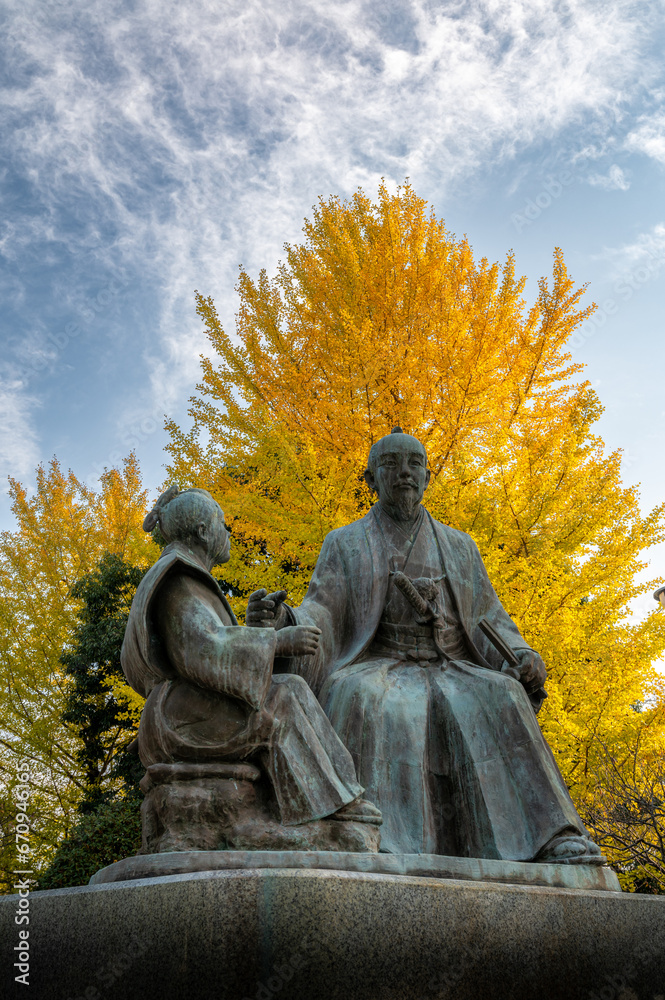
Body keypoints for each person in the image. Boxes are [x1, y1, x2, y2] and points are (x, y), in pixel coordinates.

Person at [247, 429, 603, 863]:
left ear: (428, 476)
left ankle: (548, 836)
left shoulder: (458, 545)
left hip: (451, 664)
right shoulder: (345, 542)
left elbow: (489, 616)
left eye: (414, 464)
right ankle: (372, 836)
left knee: (504, 693)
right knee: (356, 694)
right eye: (391, 464)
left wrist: (521, 654)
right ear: (370, 478)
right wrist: (284, 622)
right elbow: (322, 609)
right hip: (381, 662)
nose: (404, 473)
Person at [121, 485, 381, 831]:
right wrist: (277, 641)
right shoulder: (178, 577)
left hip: (192, 704)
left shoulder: (184, 575)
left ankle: (338, 797)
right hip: (181, 716)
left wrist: (258, 629)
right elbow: (203, 649)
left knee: (290, 688)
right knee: (284, 698)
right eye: (222, 523)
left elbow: (215, 645)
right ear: (203, 531)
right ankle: (330, 806)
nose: (228, 531)